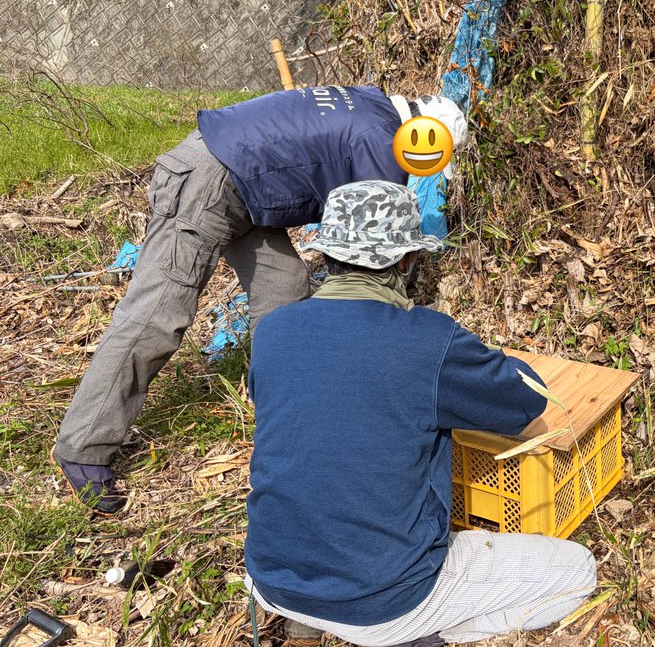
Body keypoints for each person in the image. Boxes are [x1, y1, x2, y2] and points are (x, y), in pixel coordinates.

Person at [242, 180, 596, 647]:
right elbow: (526, 400)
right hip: (383, 593)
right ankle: (409, 634)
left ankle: (311, 622)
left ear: (329, 255)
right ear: (405, 261)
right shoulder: (427, 340)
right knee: (577, 572)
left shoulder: (274, 329)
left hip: (271, 577)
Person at [52, 86, 467, 514]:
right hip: (209, 184)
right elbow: (371, 251)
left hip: (243, 187)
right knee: (157, 317)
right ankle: (82, 446)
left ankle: (282, 407)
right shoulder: (380, 142)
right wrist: (390, 322)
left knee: (285, 288)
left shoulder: (372, 105)